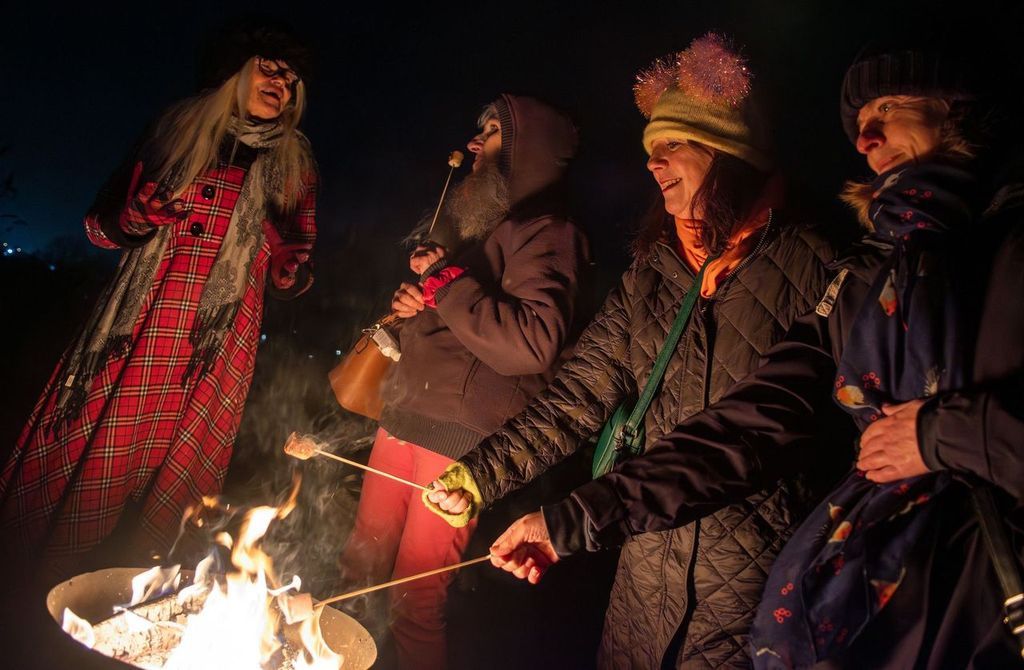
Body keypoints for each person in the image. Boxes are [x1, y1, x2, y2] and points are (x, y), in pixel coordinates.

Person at [477, 44, 1024, 668]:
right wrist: (566, 514)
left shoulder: (837, 257)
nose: (867, 137)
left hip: (815, 596)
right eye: (860, 122)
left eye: (892, 108)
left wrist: (941, 433)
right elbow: (751, 414)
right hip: (684, 587)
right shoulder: (867, 269)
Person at [425, 34, 849, 668]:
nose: (654, 163)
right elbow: (579, 395)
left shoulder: (816, 263)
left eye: (673, 145)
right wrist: (483, 473)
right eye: (651, 148)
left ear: (729, 151)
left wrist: (574, 519)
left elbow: (761, 432)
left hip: (755, 590)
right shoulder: (656, 271)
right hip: (642, 573)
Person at [0, 20, 318, 584]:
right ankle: (41, 582)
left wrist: (290, 271)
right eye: (269, 67)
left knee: (176, 481)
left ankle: (147, 586)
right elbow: (98, 226)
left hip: (215, 343)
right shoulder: (176, 130)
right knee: (99, 455)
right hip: (140, 323)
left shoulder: (295, 163)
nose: (282, 84)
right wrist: (131, 220)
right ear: (234, 73)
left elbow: (293, 263)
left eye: (291, 78)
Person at [338, 94, 589, 670]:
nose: (475, 143)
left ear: (530, 149)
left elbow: (529, 344)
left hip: (458, 439)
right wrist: (413, 305)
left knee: (414, 596)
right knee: (360, 565)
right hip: (404, 416)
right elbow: (458, 317)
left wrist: (444, 282)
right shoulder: (480, 226)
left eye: (494, 131)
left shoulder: (549, 230)